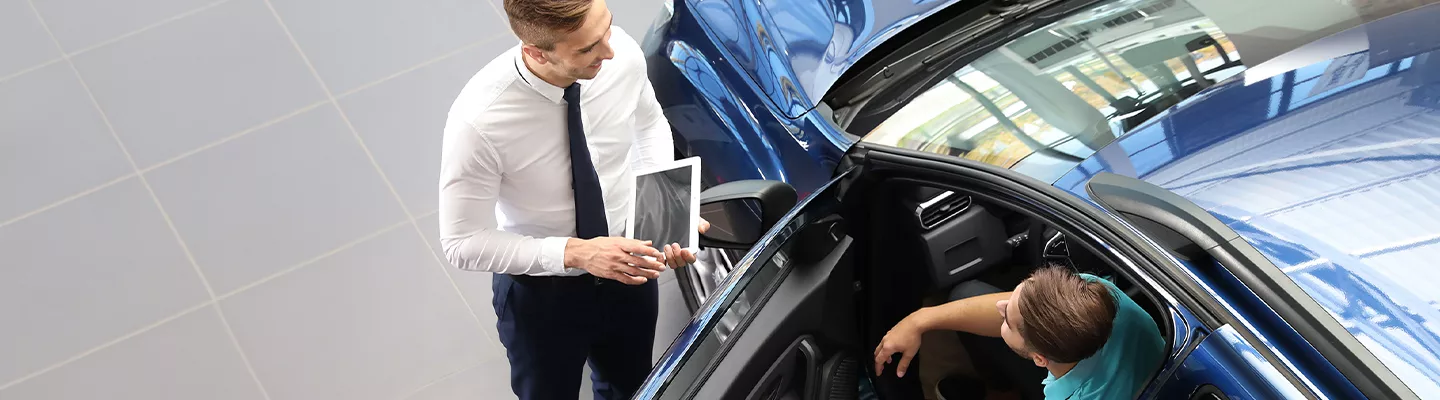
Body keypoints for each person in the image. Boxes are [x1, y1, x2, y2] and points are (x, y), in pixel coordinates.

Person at [436, 0, 706, 398]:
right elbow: (461, 242)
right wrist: (579, 254)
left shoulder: (621, 55)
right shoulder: (480, 122)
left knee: (632, 388)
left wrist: (666, 209)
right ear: (535, 52)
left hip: (629, 269)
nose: (609, 52)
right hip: (543, 297)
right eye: (586, 49)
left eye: (607, 30)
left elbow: (648, 123)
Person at [874, 266, 1165, 400]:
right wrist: (921, 319)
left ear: (1039, 359)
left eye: (1008, 322)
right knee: (966, 294)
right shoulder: (1098, 295)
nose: (1000, 304)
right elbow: (1006, 307)